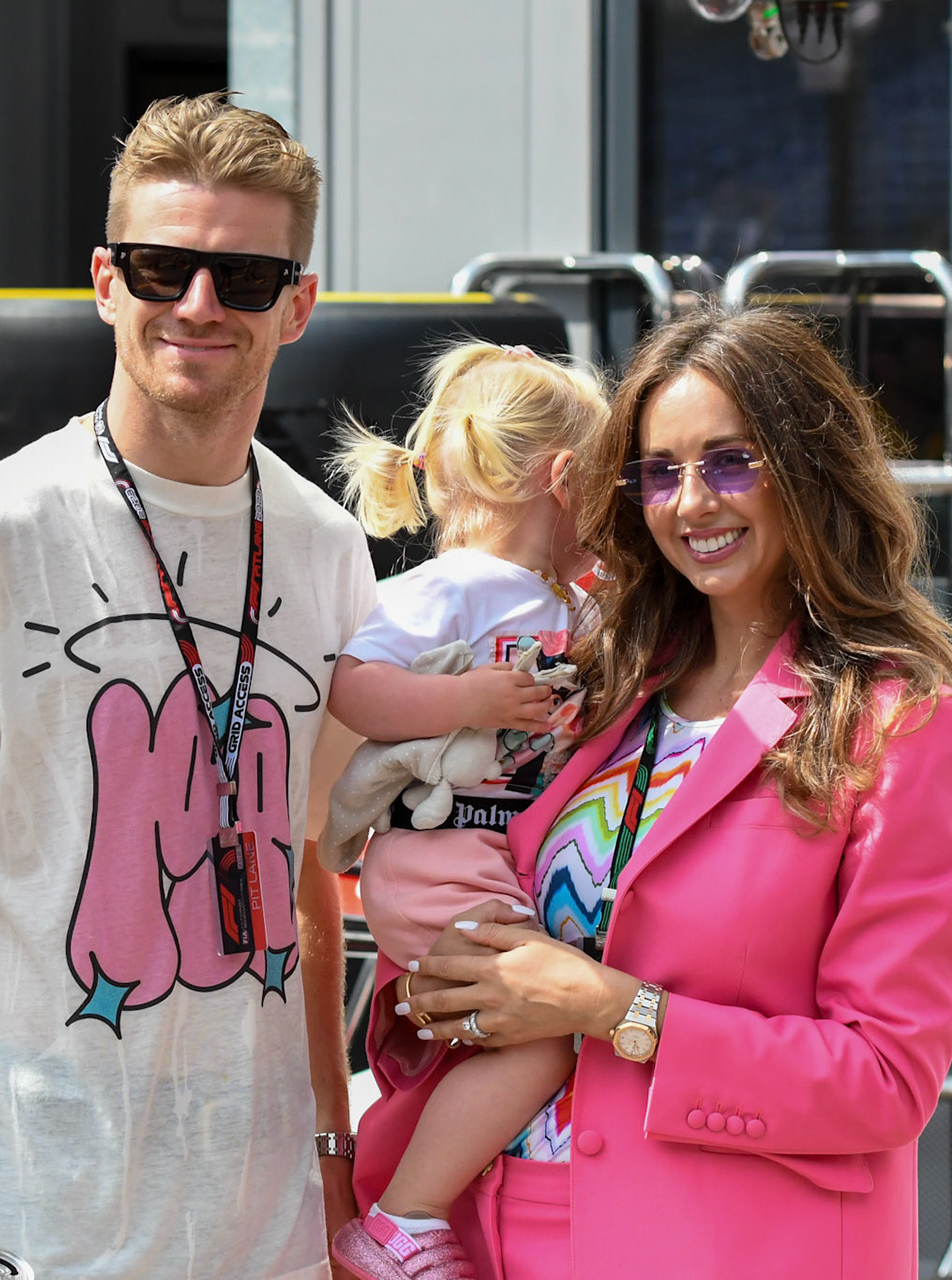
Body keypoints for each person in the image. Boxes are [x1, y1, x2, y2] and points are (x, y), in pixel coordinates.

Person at [0, 93, 376, 1280]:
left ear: (300, 304)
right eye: (164, 267)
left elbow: (313, 879)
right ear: (107, 282)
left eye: (245, 277)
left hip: (270, 1247)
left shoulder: (328, 550)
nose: (199, 305)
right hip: (36, 1239)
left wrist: (333, 1146)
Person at [354, 305, 952, 1280]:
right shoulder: (595, 689)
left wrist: (617, 1006)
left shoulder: (906, 731)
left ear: (807, 469)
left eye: (730, 461)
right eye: (660, 470)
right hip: (495, 1236)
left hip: (729, 1248)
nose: (693, 500)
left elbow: (886, 1079)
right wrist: (452, 988)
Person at [317, 343, 606, 1277]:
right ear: (565, 478)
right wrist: (472, 702)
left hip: (484, 855)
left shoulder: (570, 600)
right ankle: (403, 1218)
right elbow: (356, 690)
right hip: (433, 852)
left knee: (524, 1023)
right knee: (550, 1025)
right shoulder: (454, 587)